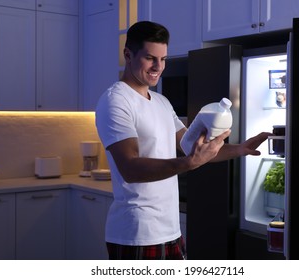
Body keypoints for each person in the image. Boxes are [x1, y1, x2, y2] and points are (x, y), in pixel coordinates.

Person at [95, 21, 271, 260]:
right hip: (137, 232)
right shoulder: (116, 101)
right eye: (150, 58)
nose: (159, 66)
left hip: (170, 230)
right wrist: (187, 164)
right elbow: (130, 168)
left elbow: (192, 148)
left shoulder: (160, 102)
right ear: (128, 54)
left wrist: (240, 148)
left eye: (163, 59)